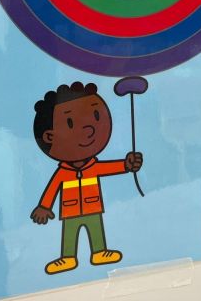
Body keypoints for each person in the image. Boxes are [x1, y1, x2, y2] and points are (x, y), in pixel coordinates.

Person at [31, 81, 143, 274]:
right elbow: (52, 188)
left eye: (96, 116)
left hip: (93, 207)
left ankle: (99, 252)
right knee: (70, 233)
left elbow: (110, 168)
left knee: (96, 229)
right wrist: (44, 206)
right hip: (70, 210)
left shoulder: (93, 166)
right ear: (49, 137)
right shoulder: (63, 172)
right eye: (70, 123)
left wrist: (127, 164)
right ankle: (68, 257)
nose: (90, 128)